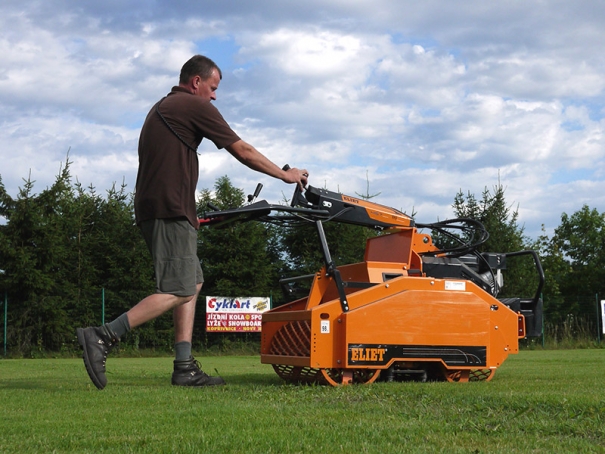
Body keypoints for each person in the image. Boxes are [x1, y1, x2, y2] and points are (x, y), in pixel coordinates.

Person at [76, 55, 309, 389]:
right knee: (177, 288)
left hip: (166, 207)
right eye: (213, 88)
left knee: (193, 282)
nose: (214, 96)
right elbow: (242, 149)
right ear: (196, 82)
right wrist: (285, 175)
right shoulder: (190, 105)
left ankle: (184, 367)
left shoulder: (165, 106)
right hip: (169, 209)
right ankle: (102, 336)